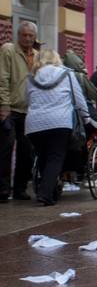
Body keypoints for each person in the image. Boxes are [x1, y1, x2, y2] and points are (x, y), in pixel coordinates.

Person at [24, 50, 90, 206]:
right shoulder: (67, 74)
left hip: (34, 123)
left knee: (43, 157)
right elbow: (78, 98)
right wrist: (86, 117)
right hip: (59, 121)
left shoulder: (30, 77)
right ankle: (45, 194)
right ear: (56, 59)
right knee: (55, 157)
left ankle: (49, 190)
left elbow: (26, 100)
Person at [0, 21, 38, 201]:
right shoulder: (8, 50)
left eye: (31, 36)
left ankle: (20, 189)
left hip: (29, 111)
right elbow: (3, 78)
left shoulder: (38, 56)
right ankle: (3, 189)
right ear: (18, 35)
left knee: (27, 152)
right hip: (10, 109)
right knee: (5, 150)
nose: (28, 38)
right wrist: (4, 105)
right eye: (24, 35)